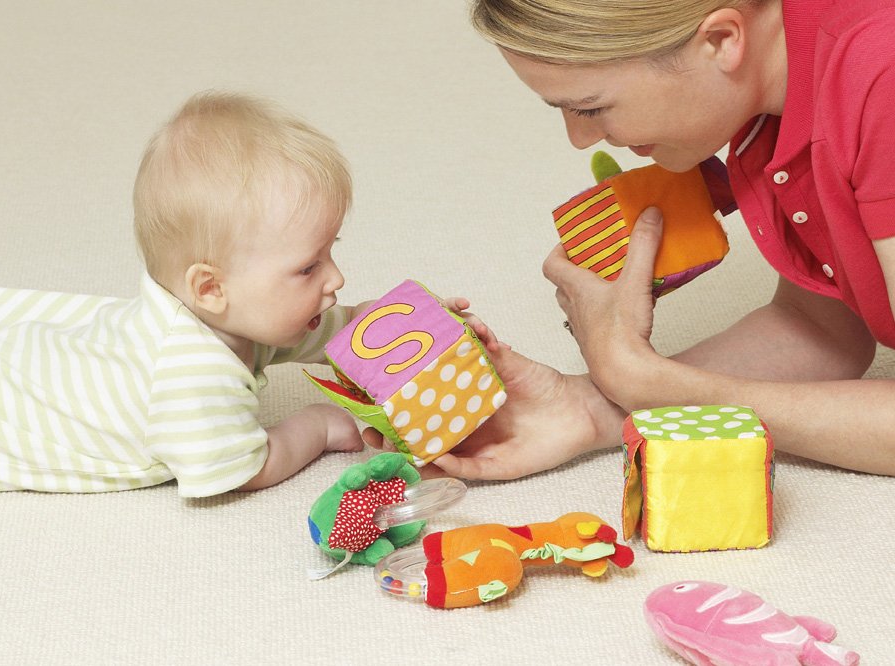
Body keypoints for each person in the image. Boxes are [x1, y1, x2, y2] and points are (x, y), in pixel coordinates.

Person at [378, 0, 895, 478]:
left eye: (590, 107)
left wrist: (652, 386)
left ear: (721, 40)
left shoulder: (881, 81)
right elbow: (822, 328)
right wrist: (589, 406)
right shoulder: (775, 86)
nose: (580, 138)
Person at [0, 91, 494, 496]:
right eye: (309, 267)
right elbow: (234, 469)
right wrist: (317, 426)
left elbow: (337, 330)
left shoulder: (240, 312)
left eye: (329, 252)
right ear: (210, 288)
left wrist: (415, 324)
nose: (335, 279)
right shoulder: (190, 372)